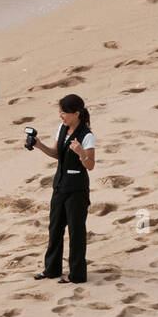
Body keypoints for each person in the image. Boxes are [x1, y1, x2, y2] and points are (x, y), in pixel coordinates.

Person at [30, 93, 96, 283]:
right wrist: (39, 145)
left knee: (76, 232)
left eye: (64, 112)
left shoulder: (87, 135)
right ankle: (51, 269)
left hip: (77, 190)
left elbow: (90, 165)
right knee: (55, 229)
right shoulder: (61, 128)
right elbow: (57, 154)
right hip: (59, 186)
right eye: (60, 112)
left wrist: (81, 152)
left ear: (76, 113)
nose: (61, 116)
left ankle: (77, 274)